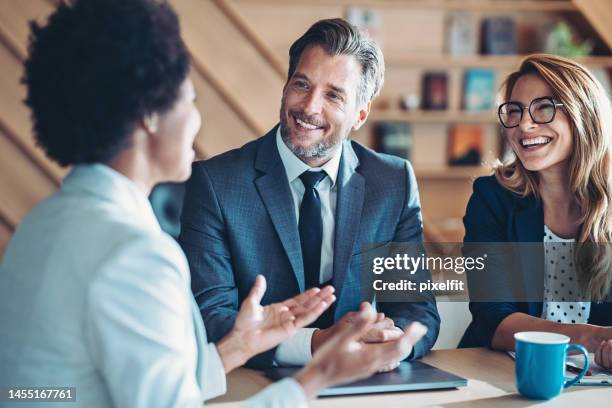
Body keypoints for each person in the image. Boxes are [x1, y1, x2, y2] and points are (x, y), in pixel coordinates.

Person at [0, 1, 428, 407]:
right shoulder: (136, 255)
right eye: (190, 100)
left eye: (334, 94)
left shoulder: (43, 221)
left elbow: (100, 388)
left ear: (359, 113)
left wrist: (237, 347)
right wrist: (319, 375)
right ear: (150, 115)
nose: (196, 120)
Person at [179, 18, 440, 370]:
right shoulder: (215, 183)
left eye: (333, 95)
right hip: (253, 381)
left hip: (363, 381)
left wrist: (390, 343)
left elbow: (416, 307)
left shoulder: (392, 181)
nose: (309, 107)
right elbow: (210, 318)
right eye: (302, 84)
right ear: (285, 87)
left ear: (360, 115)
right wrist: (317, 344)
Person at [459, 54, 612, 369]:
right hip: (502, 372)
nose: (524, 125)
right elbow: (492, 319)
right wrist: (592, 338)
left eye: (544, 108)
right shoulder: (492, 198)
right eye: (514, 111)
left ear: (585, 114)